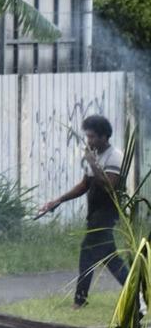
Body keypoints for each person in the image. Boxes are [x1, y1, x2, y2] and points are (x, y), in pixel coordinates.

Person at [37, 112, 130, 307]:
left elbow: (109, 186)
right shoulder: (96, 156)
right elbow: (85, 185)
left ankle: (80, 300)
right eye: (87, 136)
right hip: (94, 212)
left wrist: (92, 163)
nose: (89, 140)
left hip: (106, 213)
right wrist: (58, 200)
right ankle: (137, 291)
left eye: (92, 136)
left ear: (104, 136)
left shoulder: (114, 157)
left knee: (87, 253)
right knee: (111, 259)